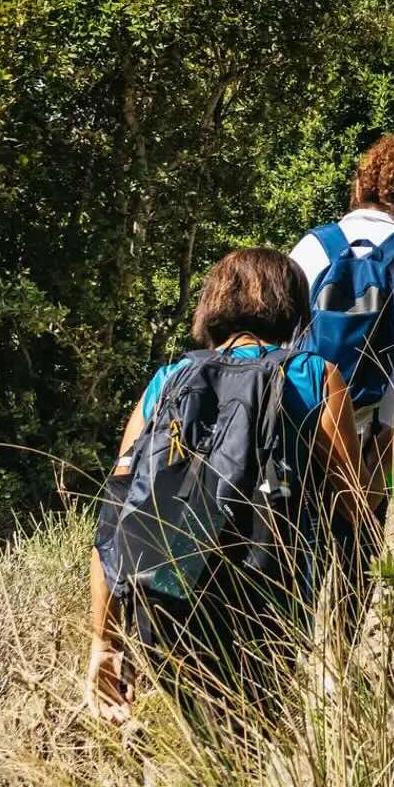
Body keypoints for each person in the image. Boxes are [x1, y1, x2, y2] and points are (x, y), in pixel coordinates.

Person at [87, 246, 365, 721]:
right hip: (268, 596)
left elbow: (116, 513)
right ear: (292, 305)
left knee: (204, 736)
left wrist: (104, 640)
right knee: (253, 735)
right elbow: (353, 505)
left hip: (167, 593)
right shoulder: (316, 376)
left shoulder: (168, 381)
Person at [290, 134, 394, 605]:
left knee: (308, 520)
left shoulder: (312, 247)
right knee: (365, 528)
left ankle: (299, 631)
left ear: (360, 183)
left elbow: (284, 334)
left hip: (316, 407)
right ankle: (345, 648)